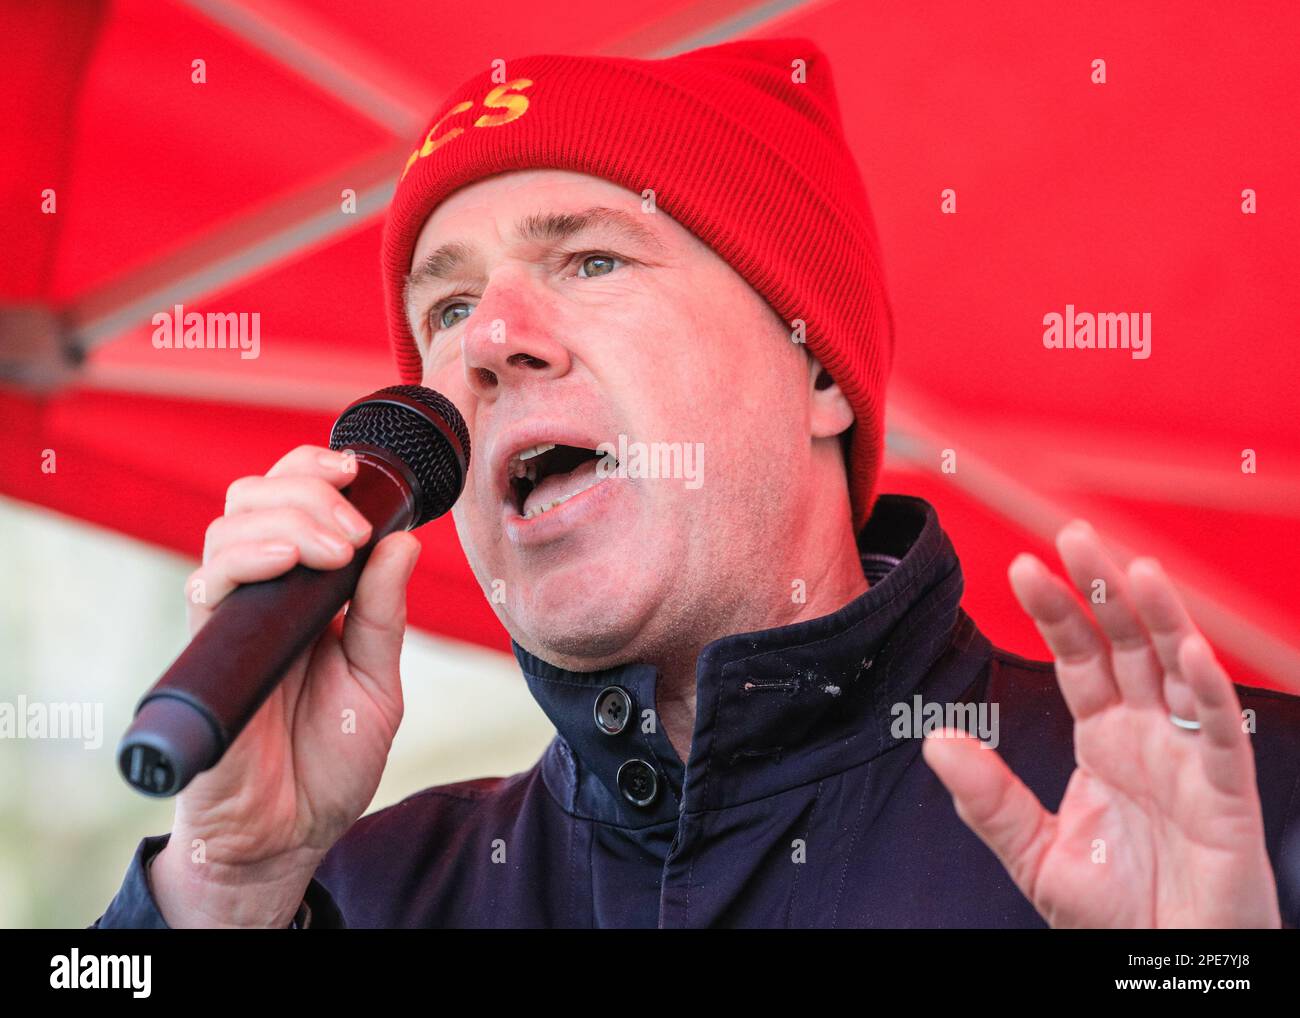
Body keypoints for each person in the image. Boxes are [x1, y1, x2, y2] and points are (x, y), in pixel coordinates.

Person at [92, 37, 1300, 929]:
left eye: (592, 259)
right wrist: (223, 887)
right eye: (446, 307)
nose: (490, 340)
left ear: (817, 368)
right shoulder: (353, 898)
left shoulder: (1245, 802)